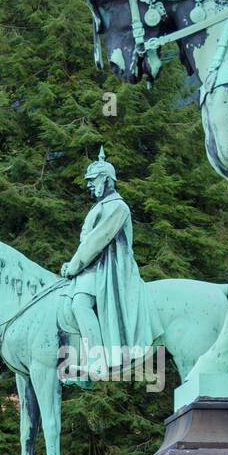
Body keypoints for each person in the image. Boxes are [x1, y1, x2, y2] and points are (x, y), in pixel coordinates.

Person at [60, 147, 159, 379]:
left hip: (108, 270)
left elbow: (95, 243)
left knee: (80, 305)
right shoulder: (102, 207)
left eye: (92, 180)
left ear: (106, 179)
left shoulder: (117, 207)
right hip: (94, 268)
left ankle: (96, 363)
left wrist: (73, 266)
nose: (89, 185)